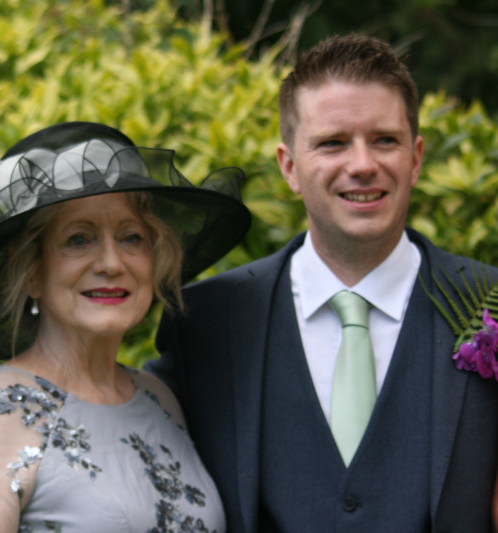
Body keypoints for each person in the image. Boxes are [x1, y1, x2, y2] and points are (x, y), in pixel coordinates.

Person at [148, 33, 498, 532]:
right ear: (289, 167)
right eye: (333, 143)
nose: (362, 165)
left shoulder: (490, 303)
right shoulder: (206, 321)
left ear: (416, 157)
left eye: (385, 140)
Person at [0, 121, 251, 532]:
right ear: (32, 271)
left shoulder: (158, 399)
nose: (111, 262)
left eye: (131, 237)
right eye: (78, 239)